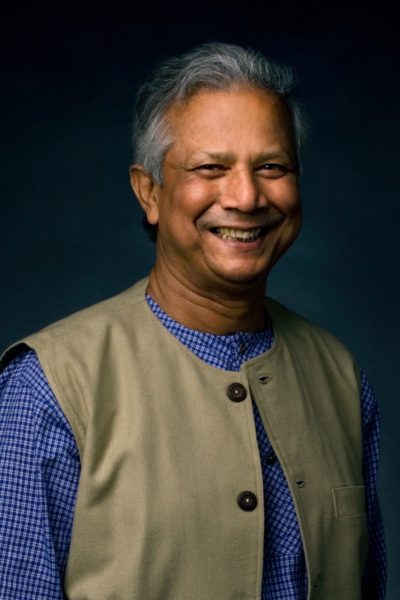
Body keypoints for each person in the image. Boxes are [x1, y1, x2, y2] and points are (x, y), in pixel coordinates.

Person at [0, 42, 386, 599]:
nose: (247, 196)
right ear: (148, 192)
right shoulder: (48, 389)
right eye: (211, 168)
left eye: (272, 167)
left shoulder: (343, 379)